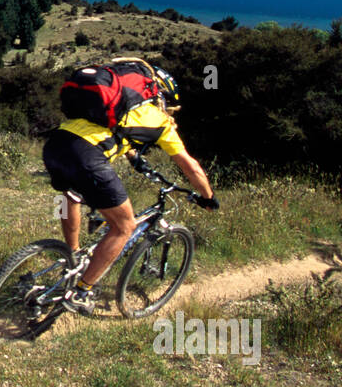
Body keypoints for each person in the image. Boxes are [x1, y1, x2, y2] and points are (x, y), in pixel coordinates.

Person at [43, 60, 218, 315]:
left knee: (72, 195)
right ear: (160, 97)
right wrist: (208, 197)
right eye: (170, 106)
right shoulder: (158, 121)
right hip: (87, 155)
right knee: (125, 226)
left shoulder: (115, 109)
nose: (170, 111)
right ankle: (82, 291)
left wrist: (134, 157)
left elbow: (120, 134)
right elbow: (190, 167)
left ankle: (72, 255)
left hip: (56, 144)